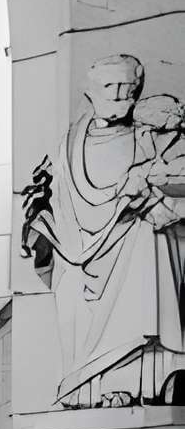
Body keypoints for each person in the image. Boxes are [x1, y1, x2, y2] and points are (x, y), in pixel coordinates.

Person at [21, 54, 185, 406]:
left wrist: (154, 198)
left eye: (129, 90)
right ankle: (90, 386)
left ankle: (148, 381)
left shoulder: (152, 137)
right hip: (78, 248)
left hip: (136, 241)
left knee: (150, 263)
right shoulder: (66, 146)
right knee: (76, 299)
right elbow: (48, 195)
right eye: (111, 88)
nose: (121, 97)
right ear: (90, 92)